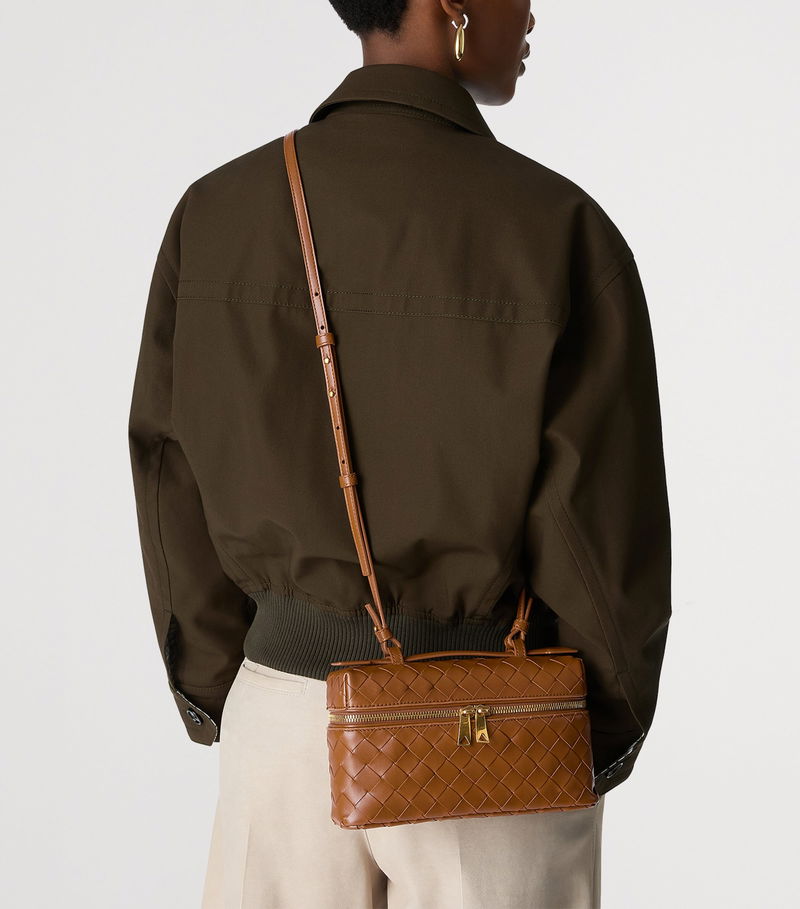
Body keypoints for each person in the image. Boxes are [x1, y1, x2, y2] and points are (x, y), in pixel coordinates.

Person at [127, 1, 671, 906]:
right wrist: (589, 729)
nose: (533, 10)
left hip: (282, 733)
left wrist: (244, 688)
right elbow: (603, 537)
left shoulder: (214, 214)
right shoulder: (558, 228)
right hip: (492, 740)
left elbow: (167, 477)